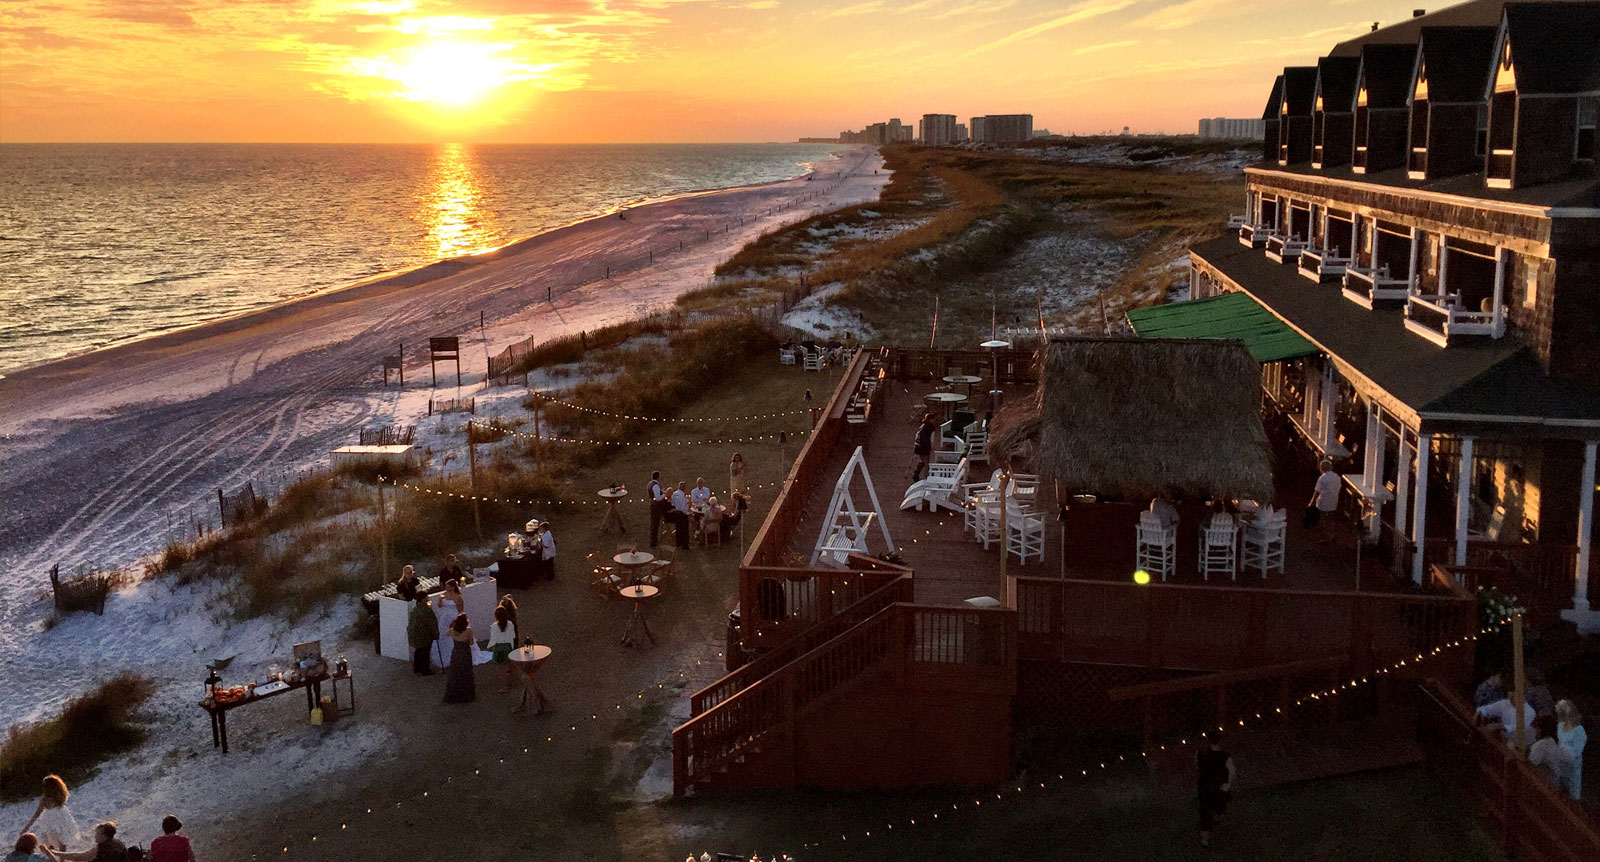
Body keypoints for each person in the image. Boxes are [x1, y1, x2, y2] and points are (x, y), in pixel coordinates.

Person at [1196, 730, 1235, 848]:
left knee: (1206, 811)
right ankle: (1215, 819)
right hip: (1217, 788)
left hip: (1206, 787)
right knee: (1215, 807)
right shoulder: (1225, 756)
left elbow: (1197, 767)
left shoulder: (1200, 753)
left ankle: (1205, 837)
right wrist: (1228, 784)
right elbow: (1232, 771)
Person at [19, 775, 76, 852]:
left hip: (49, 819)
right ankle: (62, 859)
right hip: (62, 815)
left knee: (49, 841)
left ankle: (51, 858)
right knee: (62, 841)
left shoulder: (45, 800)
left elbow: (37, 814)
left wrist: (27, 827)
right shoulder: (60, 796)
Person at [1527, 714, 1575, 789]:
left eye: (1536, 729)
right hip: (1554, 782)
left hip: (1543, 785)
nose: (1535, 732)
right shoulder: (1555, 742)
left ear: (1540, 729)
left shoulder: (1540, 746)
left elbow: (1530, 765)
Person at [1556, 699, 1587, 801]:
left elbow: (1577, 751)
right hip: (1560, 763)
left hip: (1573, 765)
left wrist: (1562, 752)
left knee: (1573, 792)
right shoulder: (1560, 726)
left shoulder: (1579, 730)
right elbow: (1559, 741)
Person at [442, 614, 476, 704]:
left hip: (456, 653)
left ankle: (454, 694)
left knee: (455, 673)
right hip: (465, 653)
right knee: (466, 672)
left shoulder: (452, 631)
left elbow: (446, 633)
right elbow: (471, 642)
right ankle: (467, 695)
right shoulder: (468, 631)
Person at [52, 822, 125, 862]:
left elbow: (78, 857)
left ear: (104, 836)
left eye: (97, 834)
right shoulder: (119, 843)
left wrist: (55, 853)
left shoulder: (101, 849)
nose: (95, 836)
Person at [1307, 459, 1340, 540]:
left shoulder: (1322, 478)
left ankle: (1325, 537)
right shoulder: (1337, 477)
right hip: (1333, 501)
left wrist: (1312, 502)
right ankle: (1331, 534)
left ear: (1322, 468)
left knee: (1323, 520)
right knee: (1331, 519)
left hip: (1324, 502)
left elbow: (1317, 491)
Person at [487, 605, 518, 691]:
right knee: (511, 665)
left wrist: (490, 647)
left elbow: (493, 639)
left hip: (499, 648)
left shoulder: (494, 626)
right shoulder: (510, 624)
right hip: (508, 646)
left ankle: (505, 686)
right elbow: (513, 636)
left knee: (502, 669)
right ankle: (513, 681)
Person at [407, 593, 435, 676]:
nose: (428, 598)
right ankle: (425, 670)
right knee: (425, 652)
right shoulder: (426, 610)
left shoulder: (415, 609)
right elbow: (431, 623)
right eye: (426, 597)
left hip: (415, 634)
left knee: (418, 651)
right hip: (424, 635)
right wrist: (435, 634)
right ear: (423, 599)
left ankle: (417, 667)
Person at [911, 413, 936, 482]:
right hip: (924, 447)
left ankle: (917, 474)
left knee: (923, 461)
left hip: (919, 446)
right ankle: (925, 476)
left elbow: (918, 436)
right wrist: (930, 447)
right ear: (931, 419)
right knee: (925, 462)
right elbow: (931, 439)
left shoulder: (922, 426)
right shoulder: (930, 427)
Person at [670, 482, 692, 549]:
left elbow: (673, 504)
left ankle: (678, 543)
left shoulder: (674, 494)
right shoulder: (682, 496)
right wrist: (688, 513)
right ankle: (685, 545)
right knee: (684, 530)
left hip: (676, 513)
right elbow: (683, 508)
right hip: (682, 514)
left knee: (678, 528)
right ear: (683, 488)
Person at [647, 471, 666, 548]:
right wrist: (665, 494)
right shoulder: (656, 486)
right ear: (658, 477)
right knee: (655, 524)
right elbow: (658, 498)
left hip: (653, 505)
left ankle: (653, 540)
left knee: (654, 524)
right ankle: (653, 542)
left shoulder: (650, 484)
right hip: (656, 507)